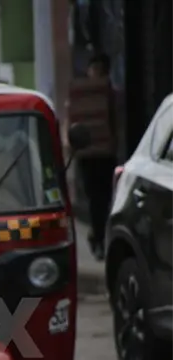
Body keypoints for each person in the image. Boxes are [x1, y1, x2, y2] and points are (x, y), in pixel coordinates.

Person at [67, 52, 116, 260]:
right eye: (93, 69)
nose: (95, 74)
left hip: (105, 155)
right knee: (95, 198)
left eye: (100, 70)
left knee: (103, 198)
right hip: (87, 156)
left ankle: (99, 237)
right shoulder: (82, 94)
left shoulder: (108, 93)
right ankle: (98, 238)